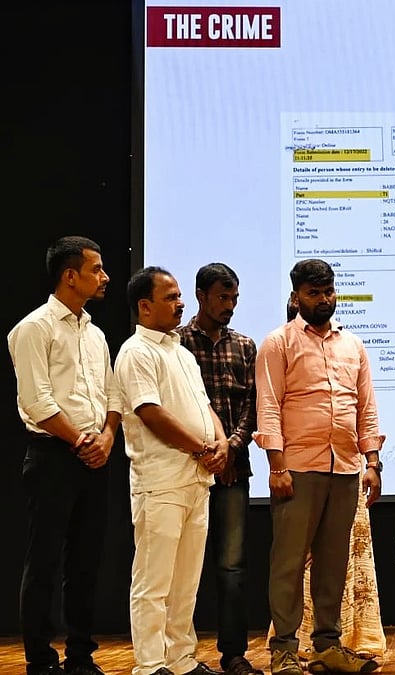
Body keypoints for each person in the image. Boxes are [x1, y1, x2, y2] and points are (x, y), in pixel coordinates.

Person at [255, 259, 384, 675]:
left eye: (328, 291)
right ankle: (285, 649)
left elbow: (366, 406)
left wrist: (373, 461)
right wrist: (277, 465)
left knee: (334, 563)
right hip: (297, 468)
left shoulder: (353, 345)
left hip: (345, 468)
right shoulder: (278, 342)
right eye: (314, 293)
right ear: (296, 297)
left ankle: (328, 645)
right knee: (289, 563)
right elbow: (269, 405)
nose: (324, 299)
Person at [8, 236, 122, 675]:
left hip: (95, 455)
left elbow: (113, 393)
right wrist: (81, 441)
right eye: (97, 269)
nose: (105, 277)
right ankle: (40, 658)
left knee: (87, 560)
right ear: (69, 276)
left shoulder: (95, 333)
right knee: (44, 560)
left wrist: (108, 437)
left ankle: (80, 654)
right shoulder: (33, 328)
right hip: (54, 455)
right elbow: (36, 401)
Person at [115, 266, 228, 675]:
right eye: (170, 297)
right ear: (145, 306)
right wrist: (202, 447)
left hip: (196, 479)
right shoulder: (135, 351)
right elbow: (149, 412)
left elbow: (206, 407)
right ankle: (149, 664)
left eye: (180, 295)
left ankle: (180, 659)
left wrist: (220, 442)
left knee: (185, 582)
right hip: (160, 481)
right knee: (153, 581)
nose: (181, 303)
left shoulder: (180, 352)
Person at [177, 263, 261, 675]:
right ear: (200, 295)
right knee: (181, 566)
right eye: (222, 298)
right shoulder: (176, 344)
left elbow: (252, 406)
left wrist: (231, 446)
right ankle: (178, 654)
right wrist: (208, 451)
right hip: (186, 469)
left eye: (234, 298)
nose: (229, 306)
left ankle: (234, 654)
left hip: (233, 470)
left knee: (231, 567)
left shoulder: (244, 346)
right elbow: (175, 408)